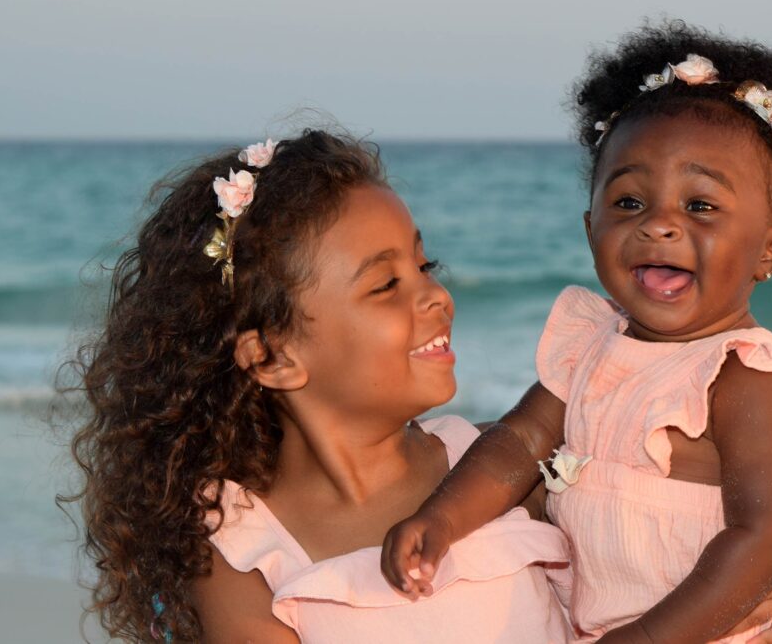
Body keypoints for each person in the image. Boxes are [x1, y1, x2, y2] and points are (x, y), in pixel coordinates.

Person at [382, 22, 772, 643]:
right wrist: (441, 519)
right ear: (590, 227)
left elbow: (765, 536)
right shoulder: (592, 343)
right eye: (629, 203)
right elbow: (518, 442)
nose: (659, 225)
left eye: (700, 206)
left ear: (769, 250)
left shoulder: (742, 372)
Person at [64, 130, 573, 642]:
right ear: (273, 357)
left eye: (424, 267)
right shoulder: (244, 550)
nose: (437, 296)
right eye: (386, 285)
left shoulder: (495, 466)